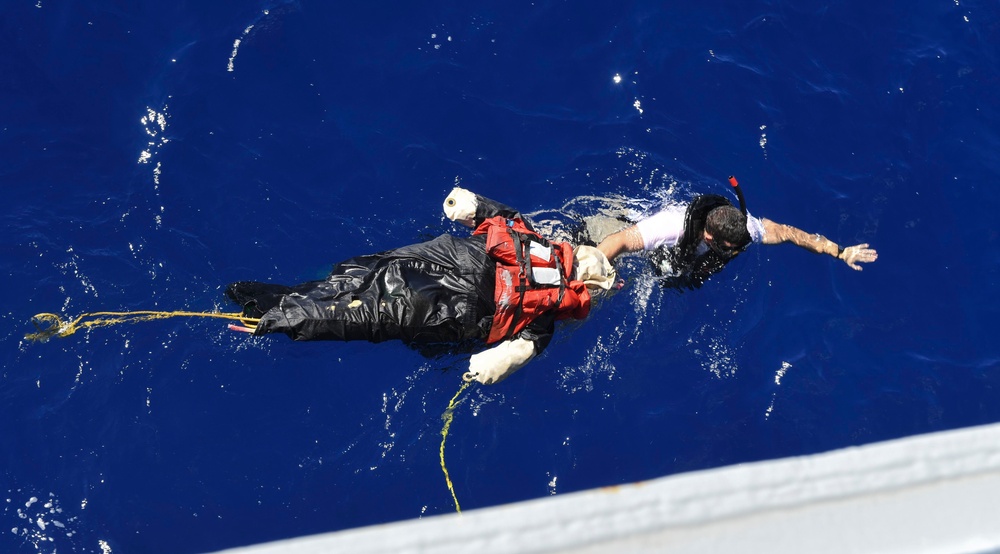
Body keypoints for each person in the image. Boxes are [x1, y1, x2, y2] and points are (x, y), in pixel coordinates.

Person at [226, 187, 616, 385]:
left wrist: (465, 204)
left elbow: (485, 210)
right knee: (372, 315)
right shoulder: (546, 318)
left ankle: (268, 297)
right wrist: (488, 367)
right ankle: (280, 319)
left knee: (360, 273)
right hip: (457, 310)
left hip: (441, 257)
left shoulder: (529, 234)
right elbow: (515, 354)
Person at [596, 177, 878, 288]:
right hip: (632, 227)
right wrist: (595, 264)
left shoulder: (747, 228)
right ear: (710, 238)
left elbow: (787, 232)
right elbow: (620, 240)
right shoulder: (672, 226)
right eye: (727, 248)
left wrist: (839, 251)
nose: (732, 251)